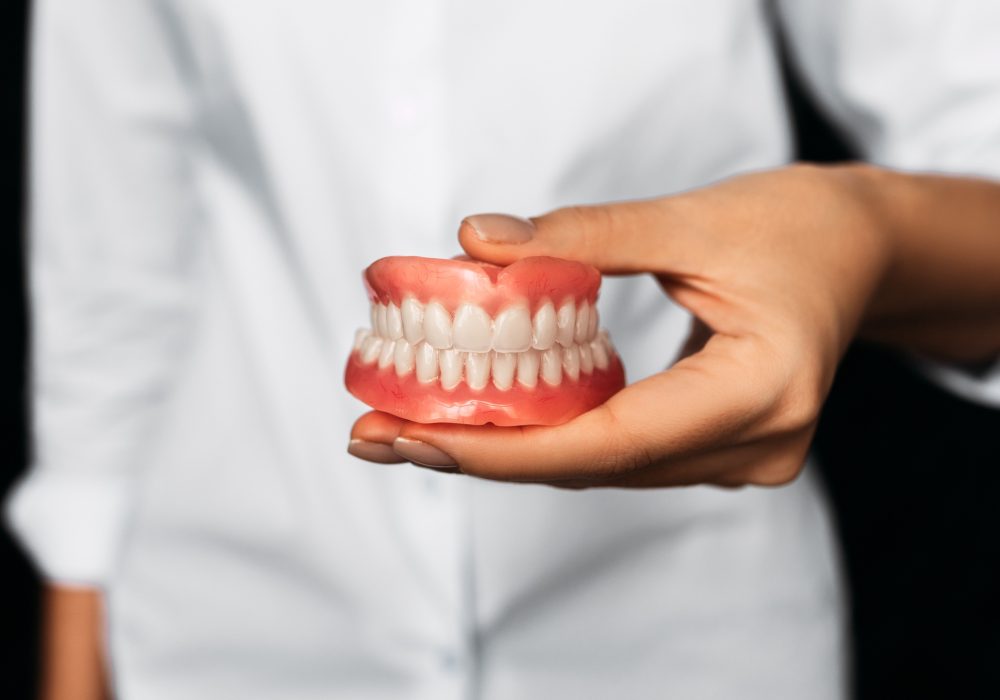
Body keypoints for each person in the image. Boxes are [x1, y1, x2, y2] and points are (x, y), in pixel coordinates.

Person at [7, 1, 999, 698]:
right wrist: (73, 657)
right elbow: (111, 277)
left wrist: (871, 235)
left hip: (687, 640)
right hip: (228, 636)